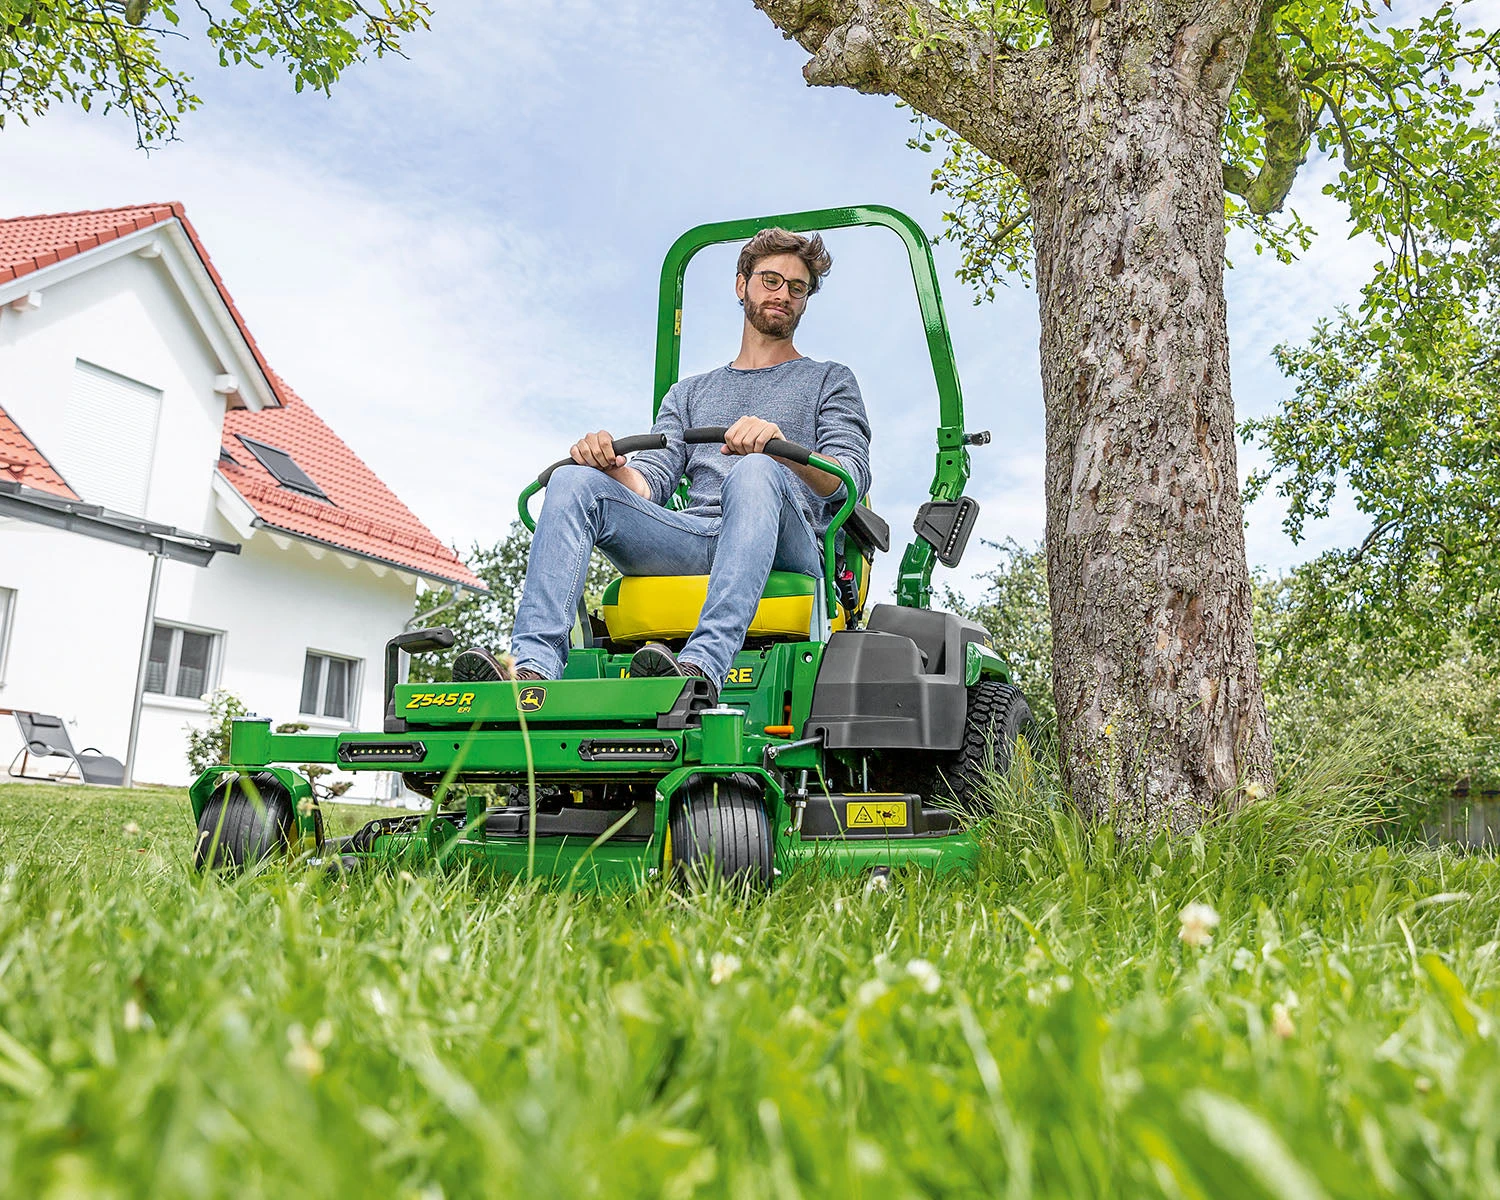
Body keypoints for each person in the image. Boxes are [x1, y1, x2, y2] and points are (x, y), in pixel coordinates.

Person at [453, 228, 872, 703]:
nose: (783, 295)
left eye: (797, 288)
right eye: (771, 280)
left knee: (754, 471)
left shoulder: (829, 380)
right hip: (694, 540)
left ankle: (702, 668)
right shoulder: (690, 393)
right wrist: (608, 468)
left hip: (784, 541)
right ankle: (534, 669)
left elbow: (847, 477)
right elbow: (649, 481)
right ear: (742, 284)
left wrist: (777, 447)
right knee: (573, 480)